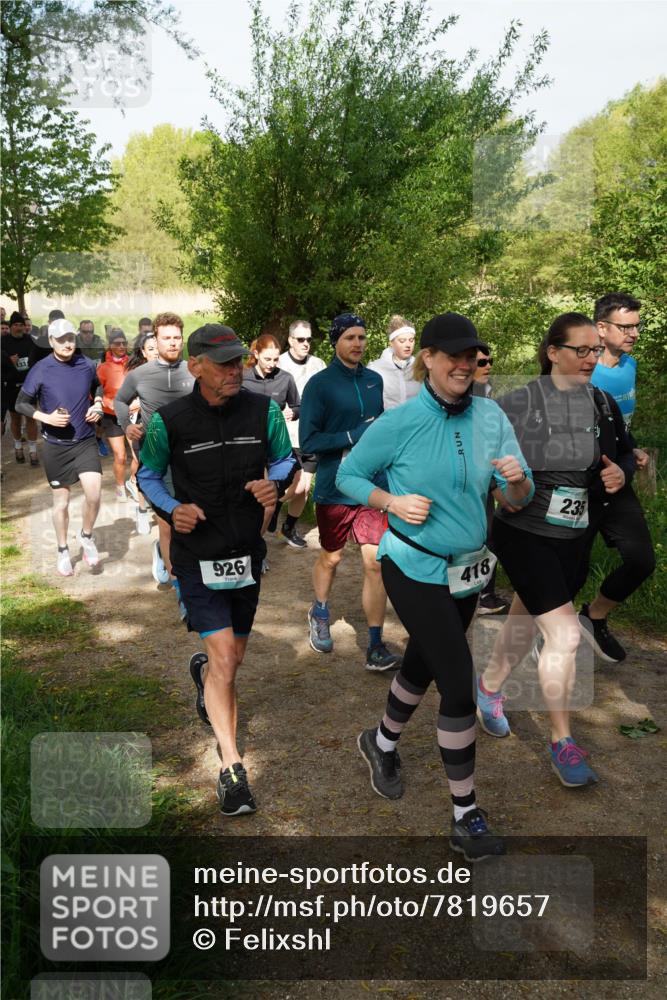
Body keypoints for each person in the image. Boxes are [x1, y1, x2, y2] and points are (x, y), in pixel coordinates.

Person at [337, 311, 533, 861]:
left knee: (424, 661)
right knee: (458, 683)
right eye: (453, 356)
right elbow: (348, 475)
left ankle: (380, 742)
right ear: (428, 358)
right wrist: (391, 502)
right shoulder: (399, 422)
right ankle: (465, 814)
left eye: (472, 357)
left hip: (468, 570)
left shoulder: (491, 415)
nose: (464, 366)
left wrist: (517, 482)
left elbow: (516, 498)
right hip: (412, 565)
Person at [137, 324, 297, 816]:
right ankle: (231, 767)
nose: (235, 370)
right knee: (227, 658)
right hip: (196, 555)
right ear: (195, 367)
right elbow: (148, 475)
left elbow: (284, 459)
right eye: (224, 363)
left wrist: (275, 484)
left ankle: (204, 673)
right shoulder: (169, 421)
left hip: (245, 553)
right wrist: (171, 509)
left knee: (231, 660)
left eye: (238, 361)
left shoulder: (264, 411)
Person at [476, 313, 635, 788]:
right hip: (524, 534)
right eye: (580, 350)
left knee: (526, 616)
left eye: (594, 350)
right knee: (564, 635)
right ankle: (562, 743)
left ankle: (488, 688)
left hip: (573, 537)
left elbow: (624, 452)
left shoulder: (602, 403)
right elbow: (485, 465)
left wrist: (620, 472)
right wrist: (500, 488)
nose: (591, 359)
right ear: (552, 353)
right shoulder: (517, 405)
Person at [299, 312, 401, 672]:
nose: (357, 343)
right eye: (349, 338)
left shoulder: (374, 380)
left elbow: (380, 429)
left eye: (361, 337)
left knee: (375, 562)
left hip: (372, 485)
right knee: (332, 558)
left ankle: (375, 644)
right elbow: (309, 441)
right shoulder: (320, 385)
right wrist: (353, 435)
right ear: (335, 342)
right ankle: (320, 610)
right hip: (335, 484)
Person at [570, 292, 655, 662]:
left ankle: (593, 617)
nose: (634, 333)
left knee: (641, 560)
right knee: (569, 571)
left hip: (618, 479)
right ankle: (543, 637)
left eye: (637, 326)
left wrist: (631, 449)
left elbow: (619, 426)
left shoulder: (629, 365)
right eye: (626, 327)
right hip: (581, 486)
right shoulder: (585, 372)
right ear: (601, 329)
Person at [114, 312, 194, 600]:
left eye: (177, 338)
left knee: (193, 517)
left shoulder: (194, 371)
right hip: (157, 458)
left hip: (192, 457)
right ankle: (179, 586)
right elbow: (120, 400)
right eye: (166, 338)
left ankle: (170, 556)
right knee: (168, 522)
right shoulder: (140, 374)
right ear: (155, 340)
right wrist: (127, 425)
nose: (172, 343)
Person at [15, 319, 104, 576]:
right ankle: (63, 549)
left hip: (85, 441)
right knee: (61, 503)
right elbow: (21, 403)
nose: (67, 343)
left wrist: (98, 403)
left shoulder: (85, 364)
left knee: (94, 495)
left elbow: (97, 385)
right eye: (61, 339)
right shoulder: (41, 369)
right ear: (52, 341)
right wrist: (47, 418)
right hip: (56, 446)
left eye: (70, 338)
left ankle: (86, 535)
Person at [242, 333, 303, 548]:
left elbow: (298, 406)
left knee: (293, 485)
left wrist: (292, 413)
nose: (272, 364)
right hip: (249, 446)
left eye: (276, 359)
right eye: (267, 359)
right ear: (256, 354)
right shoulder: (243, 378)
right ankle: (254, 547)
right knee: (260, 501)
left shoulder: (285, 378)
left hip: (277, 443)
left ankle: (272, 511)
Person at [278, 320, 327, 546]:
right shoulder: (279, 363)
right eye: (300, 339)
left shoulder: (318, 364)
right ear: (290, 340)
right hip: (287, 435)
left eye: (308, 339)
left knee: (305, 487)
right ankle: (266, 508)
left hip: (312, 434)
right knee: (298, 486)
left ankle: (288, 528)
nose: (305, 343)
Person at [472, 346, 510, 615]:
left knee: (489, 536)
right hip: (473, 480)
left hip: (488, 477)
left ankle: (485, 595)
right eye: (481, 362)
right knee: (479, 536)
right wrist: (495, 486)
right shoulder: (464, 398)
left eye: (490, 361)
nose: (488, 366)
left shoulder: (487, 392)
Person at [123, 331, 159, 524]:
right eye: (151, 349)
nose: (156, 352)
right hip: (139, 426)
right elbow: (122, 404)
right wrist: (137, 404)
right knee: (143, 466)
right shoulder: (135, 375)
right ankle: (143, 509)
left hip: (165, 427)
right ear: (143, 352)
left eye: (157, 348)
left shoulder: (172, 371)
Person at [96, 329, 132, 499]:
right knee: (120, 456)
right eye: (117, 343)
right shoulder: (103, 368)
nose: (121, 346)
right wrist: (107, 402)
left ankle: (134, 482)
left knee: (139, 455)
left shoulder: (134, 364)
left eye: (124, 343)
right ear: (110, 346)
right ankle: (120, 487)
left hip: (133, 414)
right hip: (112, 416)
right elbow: (95, 392)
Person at [1, 312, 40, 465]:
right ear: (10, 327)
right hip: (11, 386)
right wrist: (7, 360)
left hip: (29, 386)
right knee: (16, 419)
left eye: (21, 325)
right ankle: (18, 447)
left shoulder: (31, 340)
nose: (19, 328)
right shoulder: (3, 342)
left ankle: (33, 450)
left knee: (31, 417)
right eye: (16, 325)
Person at [368, 315, 419, 410]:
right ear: (391, 343)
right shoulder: (375, 368)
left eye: (411, 340)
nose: (408, 345)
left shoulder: (420, 367)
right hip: (388, 419)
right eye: (402, 341)